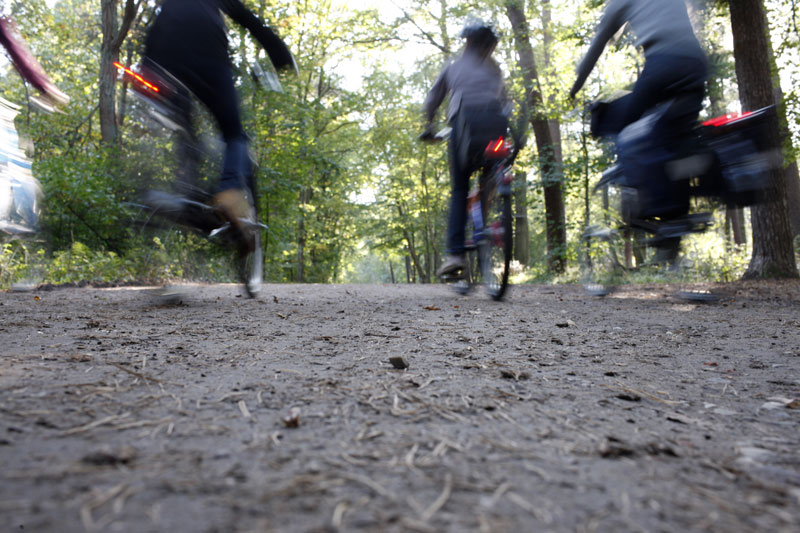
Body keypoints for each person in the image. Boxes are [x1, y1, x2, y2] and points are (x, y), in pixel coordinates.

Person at [143, 0, 295, 239]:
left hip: (160, 58)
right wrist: (280, 55)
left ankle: (185, 191)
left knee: (185, 126)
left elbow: (158, 20)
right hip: (207, 54)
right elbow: (247, 18)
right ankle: (229, 190)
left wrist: (146, 66)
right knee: (234, 133)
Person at [569, 0, 708, 249]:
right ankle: (675, 221)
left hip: (662, 64)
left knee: (621, 126)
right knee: (671, 134)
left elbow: (597, 46)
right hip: (696, 65)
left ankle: (662, 220)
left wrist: (576, 86)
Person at [422, 21, 510, 277]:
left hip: (465, 130)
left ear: (468, 42)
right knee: (491, 171)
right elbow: (506, 102)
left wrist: (429, 127)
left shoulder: (455, 68)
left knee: (460, 187)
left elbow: (432, 100)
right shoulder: (495, 71)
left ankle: (455, 254)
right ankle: (485, 225)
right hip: (496, 130)